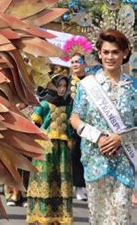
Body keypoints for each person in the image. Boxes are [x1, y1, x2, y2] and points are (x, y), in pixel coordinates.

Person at [70, 29, 135, 224]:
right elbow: (75, 118)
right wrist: (97, 136)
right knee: (98, 217)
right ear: (99, 53)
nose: (110, 57)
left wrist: (120, 138)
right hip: (95, 160)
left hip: (125, 160)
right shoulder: (87, 85)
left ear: (125, 53)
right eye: (105, 52)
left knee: (121, 217)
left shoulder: (134, 87)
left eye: (115, 52)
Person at [26, 74, 73, 224]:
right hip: (46, 147)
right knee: (45, 179)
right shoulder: (45, 104)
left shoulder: (68, 105)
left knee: (61, 181)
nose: (61, 89)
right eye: (59, 85)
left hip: (62, 150)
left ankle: (59, 216)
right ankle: (42, 215)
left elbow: (72, 126)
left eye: (64, 86)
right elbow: (34, 124)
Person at [63, 35, 93, 201]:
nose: (74, 64)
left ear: (84, 64)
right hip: (67, 123)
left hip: (85, 122)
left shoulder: (91, 81)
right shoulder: (66, 81)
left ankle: (81, 186)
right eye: (72, 62)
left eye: (78, 62)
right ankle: (73, 185)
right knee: (71, 154)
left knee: (82, 153)